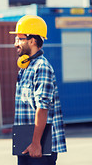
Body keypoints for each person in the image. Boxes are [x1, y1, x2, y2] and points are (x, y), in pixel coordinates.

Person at [9, 15, 67, 165]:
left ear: (32, 40)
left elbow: (42, 108)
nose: (15, 43)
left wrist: (36, 143)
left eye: (19, 38)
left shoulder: (41, 67)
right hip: (24, 141)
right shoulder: (25, 67)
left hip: (39, 144)